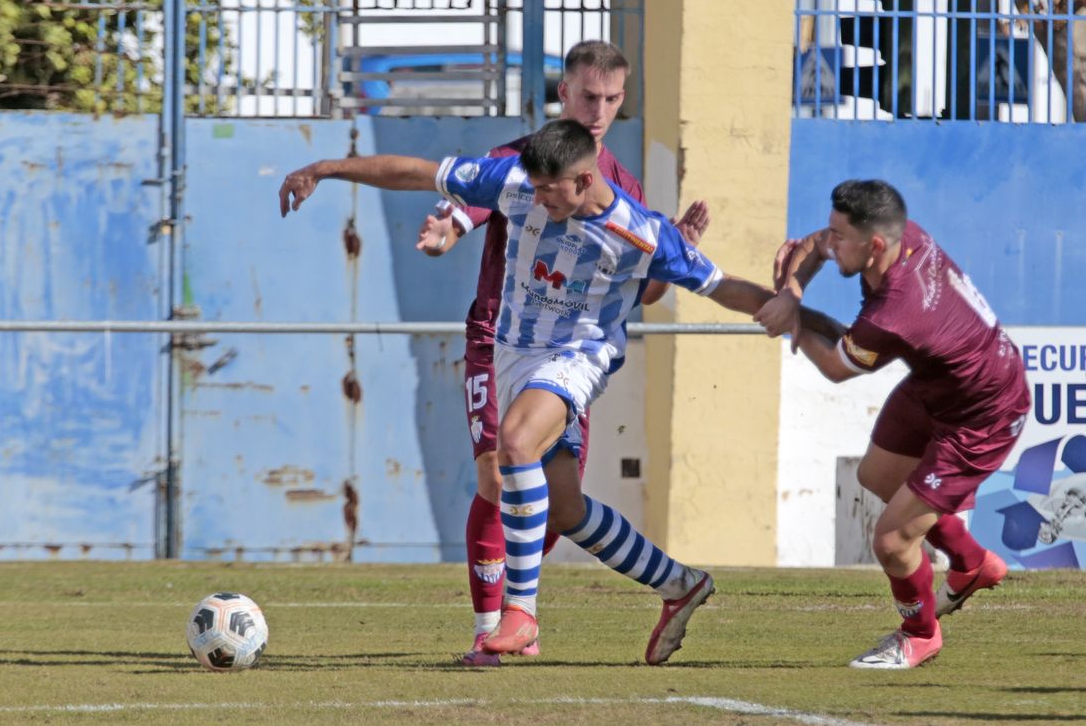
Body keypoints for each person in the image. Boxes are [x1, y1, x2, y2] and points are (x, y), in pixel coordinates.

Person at [280, 119, 778, 664]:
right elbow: (416, 172)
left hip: (579, 357)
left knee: (514, 444)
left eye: (549, 190)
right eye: (534, 188)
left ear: (584, 180)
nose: (537, 198)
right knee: (565, 509)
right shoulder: (515, 181)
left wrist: (789, 311)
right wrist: (324, 168)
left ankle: (520, 612)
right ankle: (679, 583)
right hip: (513, 355)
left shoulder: (642, 232)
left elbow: (721, 286)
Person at [413, 41, 710, 666]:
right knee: (498, 473)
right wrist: (446, 229)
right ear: (564, 94)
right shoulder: (517, 162)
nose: (598, 110)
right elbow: (466, 207)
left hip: (569, 358)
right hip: (497, 338)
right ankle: (494, 630)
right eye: (587, 96)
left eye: (611, 99)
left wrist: (675, 257)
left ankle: (675, 583)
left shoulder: (622, 188)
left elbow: (644, 293)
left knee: (561, 505)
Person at [756, 179, 1027, 669]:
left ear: (875, 246)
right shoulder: (901, 236)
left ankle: (920, 635)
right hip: (938, 385)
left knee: (893, 541)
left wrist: (790, 321)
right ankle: (972, 563)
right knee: (877, 476)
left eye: (840, 237)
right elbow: (813, 245)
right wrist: (793, 292)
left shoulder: (898, 311)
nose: (829, 243)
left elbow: (835, 367)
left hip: (984, 413)